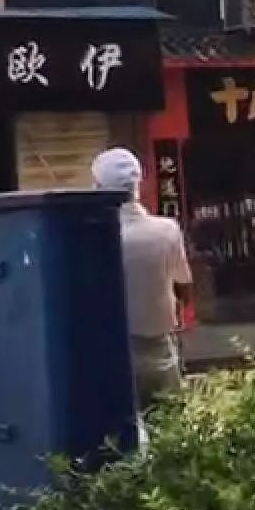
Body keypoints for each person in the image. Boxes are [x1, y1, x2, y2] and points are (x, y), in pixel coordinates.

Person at [91, 147, 195, 414]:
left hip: (112, 354)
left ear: (99, 186)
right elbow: (184, 287)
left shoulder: (95, 238)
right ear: (139, 184)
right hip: (160, 350)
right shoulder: (166, 230)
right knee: (167, 429)